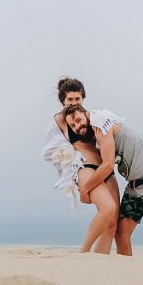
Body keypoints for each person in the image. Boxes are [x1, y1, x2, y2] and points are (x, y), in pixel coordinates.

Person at [66, 105, 143, 256]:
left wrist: (85, 189)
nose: (77, 126)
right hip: (135, 184)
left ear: (87, 114)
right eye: (73, 125)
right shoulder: (95, 133)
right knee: (121, 234)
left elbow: (108, 165)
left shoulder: (100, 125)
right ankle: (126, 270)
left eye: (78, 120)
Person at [43, 76, 122, 253]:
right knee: (107, 208)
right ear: (63, 100)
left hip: (104, 169)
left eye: (77, 99)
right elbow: (50, 151)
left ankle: (100, 262)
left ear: (82, 98)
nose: (73, 102)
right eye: (69, 99)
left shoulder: (91, 116)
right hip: (85, 168)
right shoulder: (59, 123)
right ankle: (83, 253)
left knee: (112, 223)